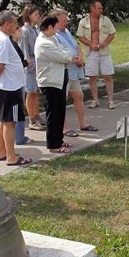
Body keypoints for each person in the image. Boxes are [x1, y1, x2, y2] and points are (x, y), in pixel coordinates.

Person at [0, 10, 32, 166]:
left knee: (3, 121)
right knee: (10, 122)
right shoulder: (3, 41)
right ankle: (12, 156)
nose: (17, 26)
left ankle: (2, 151)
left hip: (2, 86)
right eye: (15, 23)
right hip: (10, 88)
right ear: (7, 23)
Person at [35, 15, 82, 153]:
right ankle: (54, 145)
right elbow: (66, 56)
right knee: (53, 114)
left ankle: (59, 140)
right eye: (55, 27)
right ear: (49, 27)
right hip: (51, 82)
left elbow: (68, 50)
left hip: (59, 80)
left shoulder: (52, 38)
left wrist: (68, 54)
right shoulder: (44, 43)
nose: (57, 30)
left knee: (60, 112)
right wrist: (68, 55)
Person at [53, 9, 98, 134]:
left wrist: (80, 57)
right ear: (56, 21)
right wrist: (75, 60)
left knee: (79, 96)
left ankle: (83, 123)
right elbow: (60, 54)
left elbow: (76, 45)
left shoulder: (66, 31)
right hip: (64, 72)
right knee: (62, 99)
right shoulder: (54, 35)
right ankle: (64, 128)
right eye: (64, 21)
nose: (66, 23)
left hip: (74, 72)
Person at [76, 0, 116, 109]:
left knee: (108, 75)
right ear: (92, 8)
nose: (101, 10)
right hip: (91, 52)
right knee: (92, 76)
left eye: (101, 8)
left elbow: (112, 33)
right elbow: (80, 36)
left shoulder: (106, 20)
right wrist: (90, 44)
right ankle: (95, 100)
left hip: (104, 52)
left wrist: (105, 43)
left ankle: (111, 100)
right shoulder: (84, 22)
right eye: (99, 8)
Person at [19, 4, 46, 131]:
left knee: (35, 92)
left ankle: (36, 115)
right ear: (29, 15)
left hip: (37, 63)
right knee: (30, 92)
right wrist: (27, 63)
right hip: (30, 65)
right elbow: (24, 50)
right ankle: (31, 119)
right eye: (35, 14)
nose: (38, 16)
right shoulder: (24, 31)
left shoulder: (35, 29)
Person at [10, 25, 30, 145]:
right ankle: (19, 137)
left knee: (18, 111)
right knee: (17, 112)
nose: (20, 32)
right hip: (15, 84)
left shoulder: (14, 45)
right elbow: (17, 64)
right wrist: (26, 62)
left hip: (17, 81)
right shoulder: (12, 45)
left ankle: (20, 136)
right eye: (17, 29)